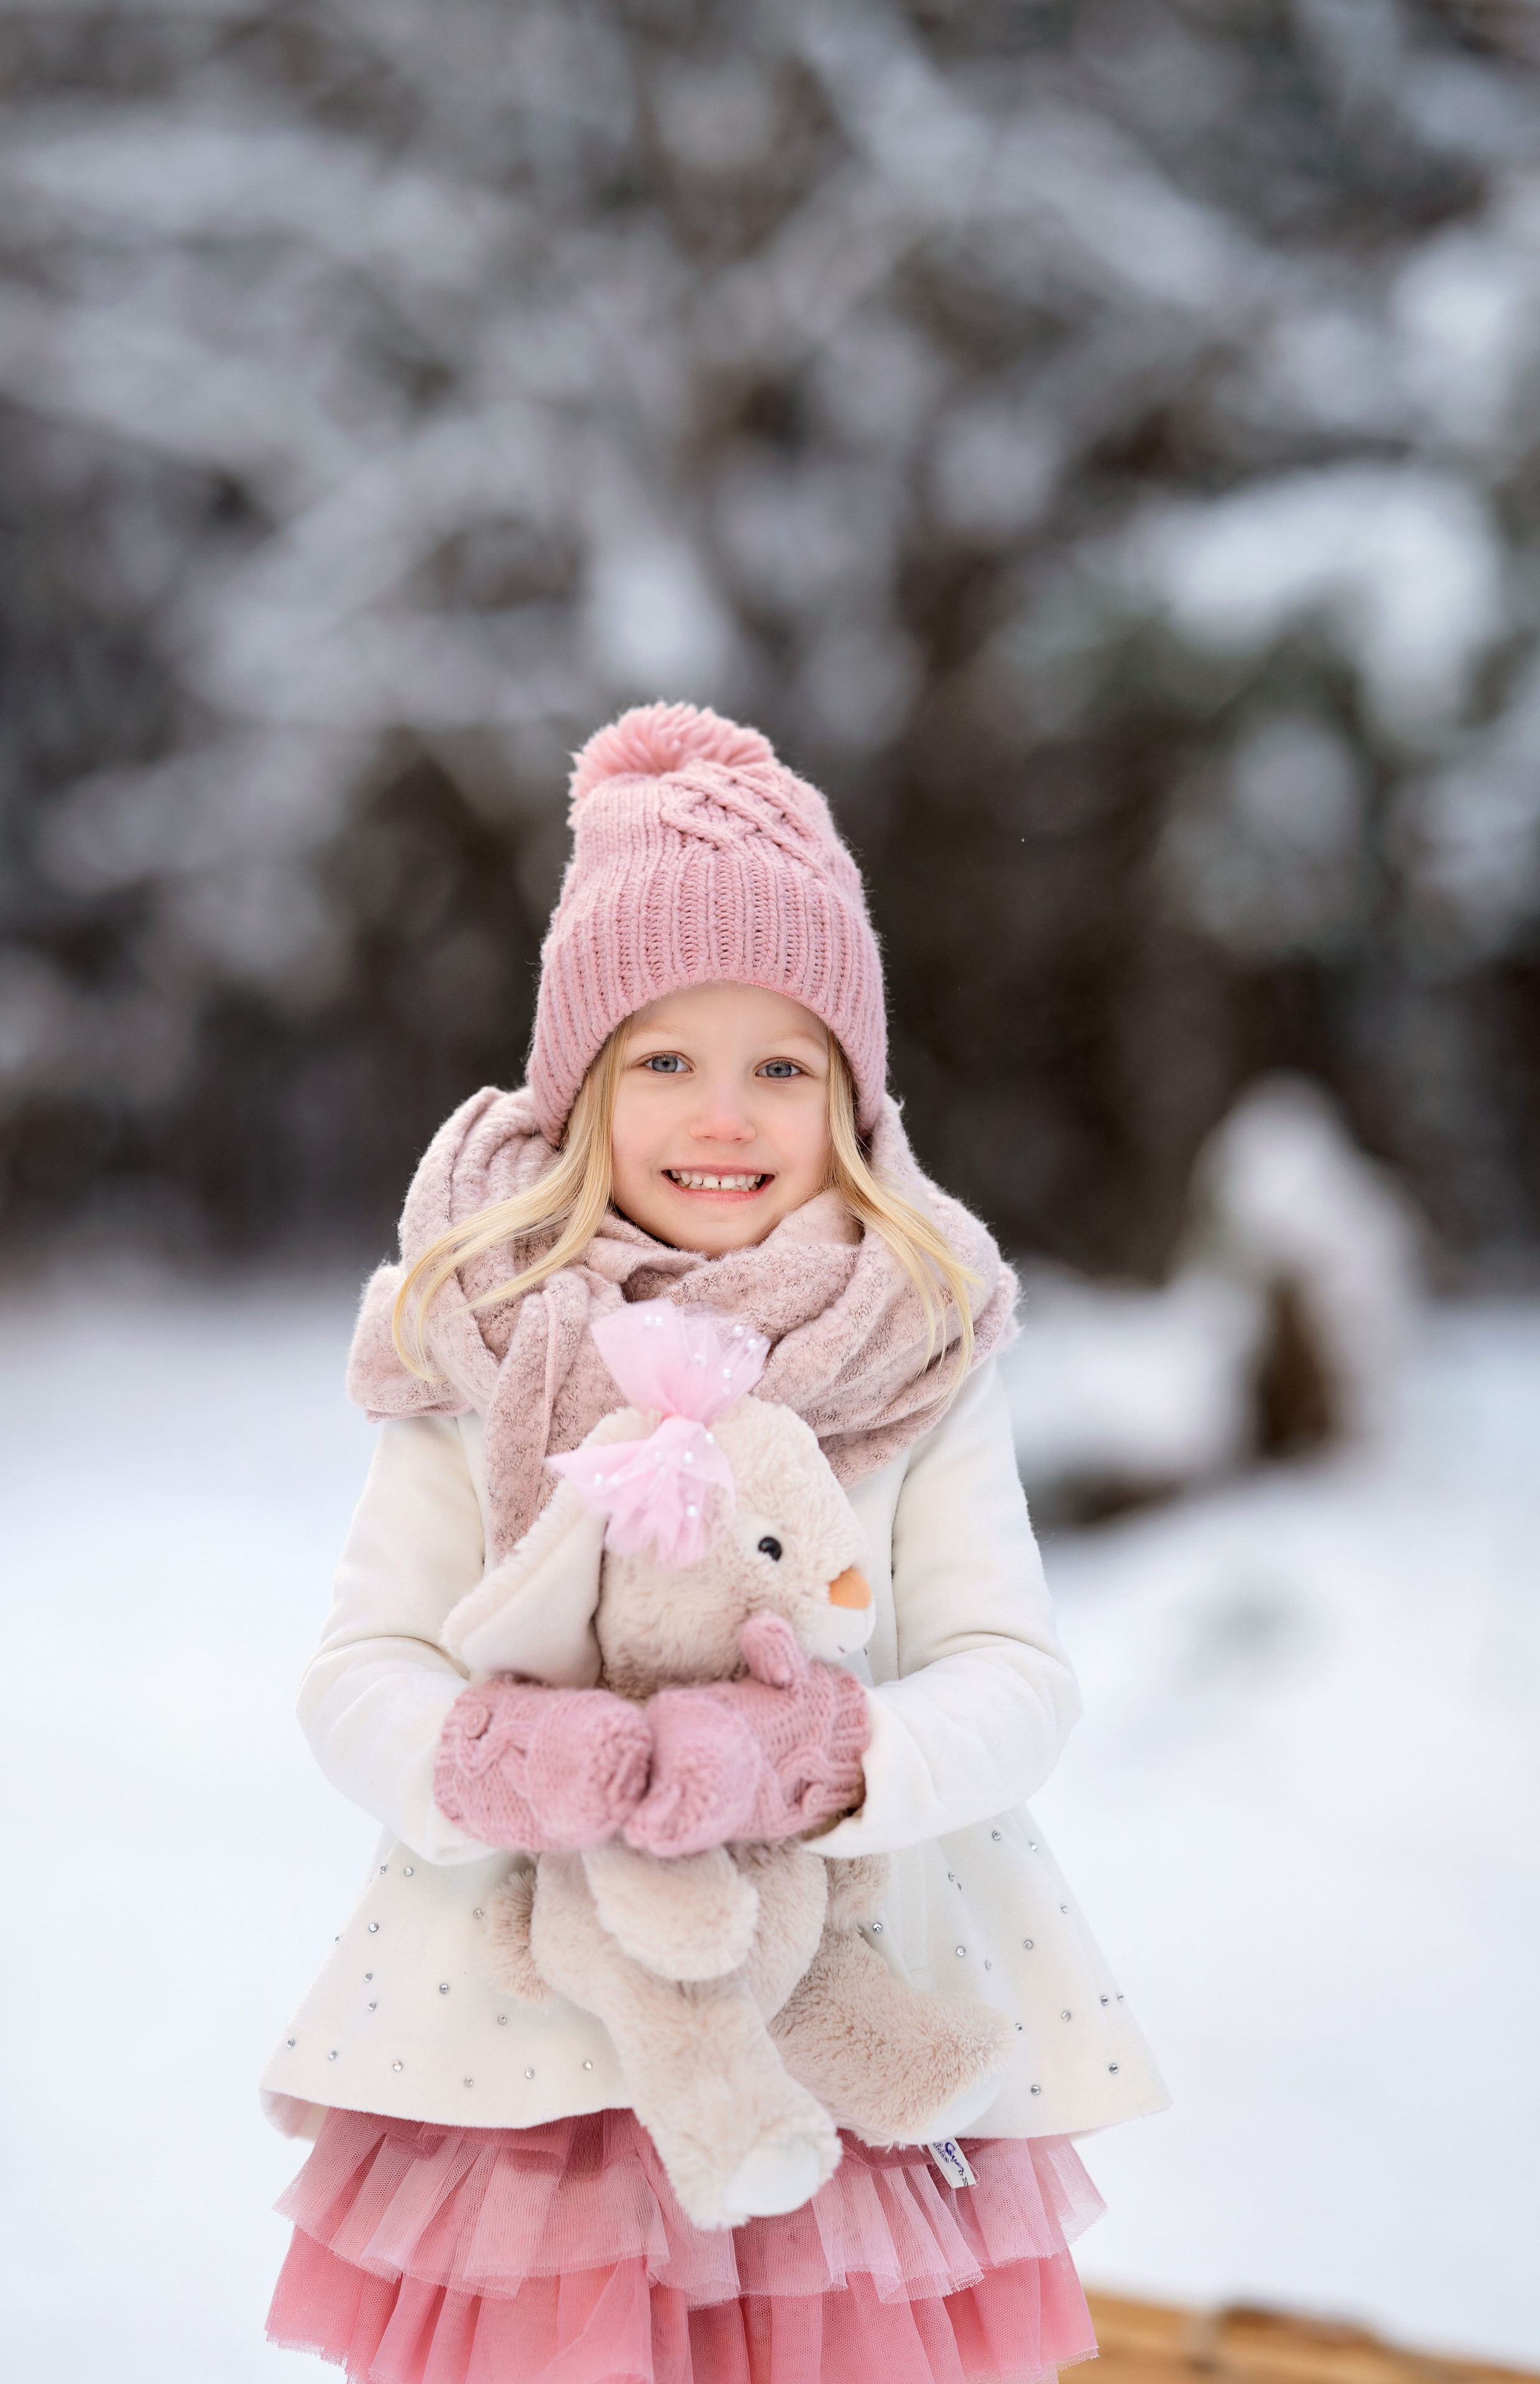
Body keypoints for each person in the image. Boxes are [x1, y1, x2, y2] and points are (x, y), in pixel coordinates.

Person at [261, 700, 1167, 2384]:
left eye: (782, 1067)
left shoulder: (921, 1342)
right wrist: (492, 1757)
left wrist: (822, 1758)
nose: (724, 1115)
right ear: (581, 1090)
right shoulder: (480, 1332)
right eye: (665, 1061)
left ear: (854, 1095)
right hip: (532, 2054)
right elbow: (356, 1670)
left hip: (846, 2007)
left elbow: (1016, 1680)